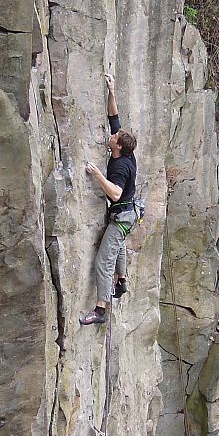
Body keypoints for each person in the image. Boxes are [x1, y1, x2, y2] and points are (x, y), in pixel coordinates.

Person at [79, 75, 138, 326]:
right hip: (128, 215)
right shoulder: (123, 150)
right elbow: (114, 117)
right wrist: (111, 90)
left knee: (104, 259)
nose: (111, 136)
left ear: (118, 148)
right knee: (118, 245)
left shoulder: (121, 167)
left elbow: (115, 193)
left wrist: (97, 174)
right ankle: (122, 281)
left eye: (114, 138)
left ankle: (100, 309)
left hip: (122, 217)